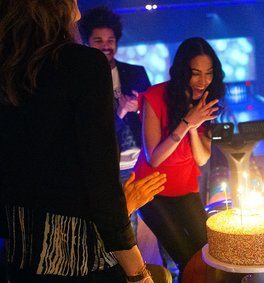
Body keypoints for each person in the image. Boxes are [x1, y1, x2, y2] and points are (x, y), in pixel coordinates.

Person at [0, 0, 152, 282]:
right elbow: (99, 177)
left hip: (20, 255)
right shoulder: (83, 64)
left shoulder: (8, 67)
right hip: (80, 260)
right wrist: (138, 273)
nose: (78, 11)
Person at [133, 37, 225, 271]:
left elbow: (202, 158)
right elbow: (154, 157)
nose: (203, 81)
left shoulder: (206, 102)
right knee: (187, 259)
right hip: (151, 189)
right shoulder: (155, 96)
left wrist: (194, 127)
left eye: (209, 73)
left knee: (209, 252)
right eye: (195, 73)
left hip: (185, 186)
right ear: (183, 71)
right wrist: (186, 122)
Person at [78, 6, 151, 185]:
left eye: (110, 40)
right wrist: (120, 112)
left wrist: (139, 106)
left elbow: (155, 114)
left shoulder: (136, 73)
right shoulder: (82, 79)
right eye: (98, 40)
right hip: (106, 164)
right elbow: (90, 128)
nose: (106, 45)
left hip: (141, 162)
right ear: (87, 42)